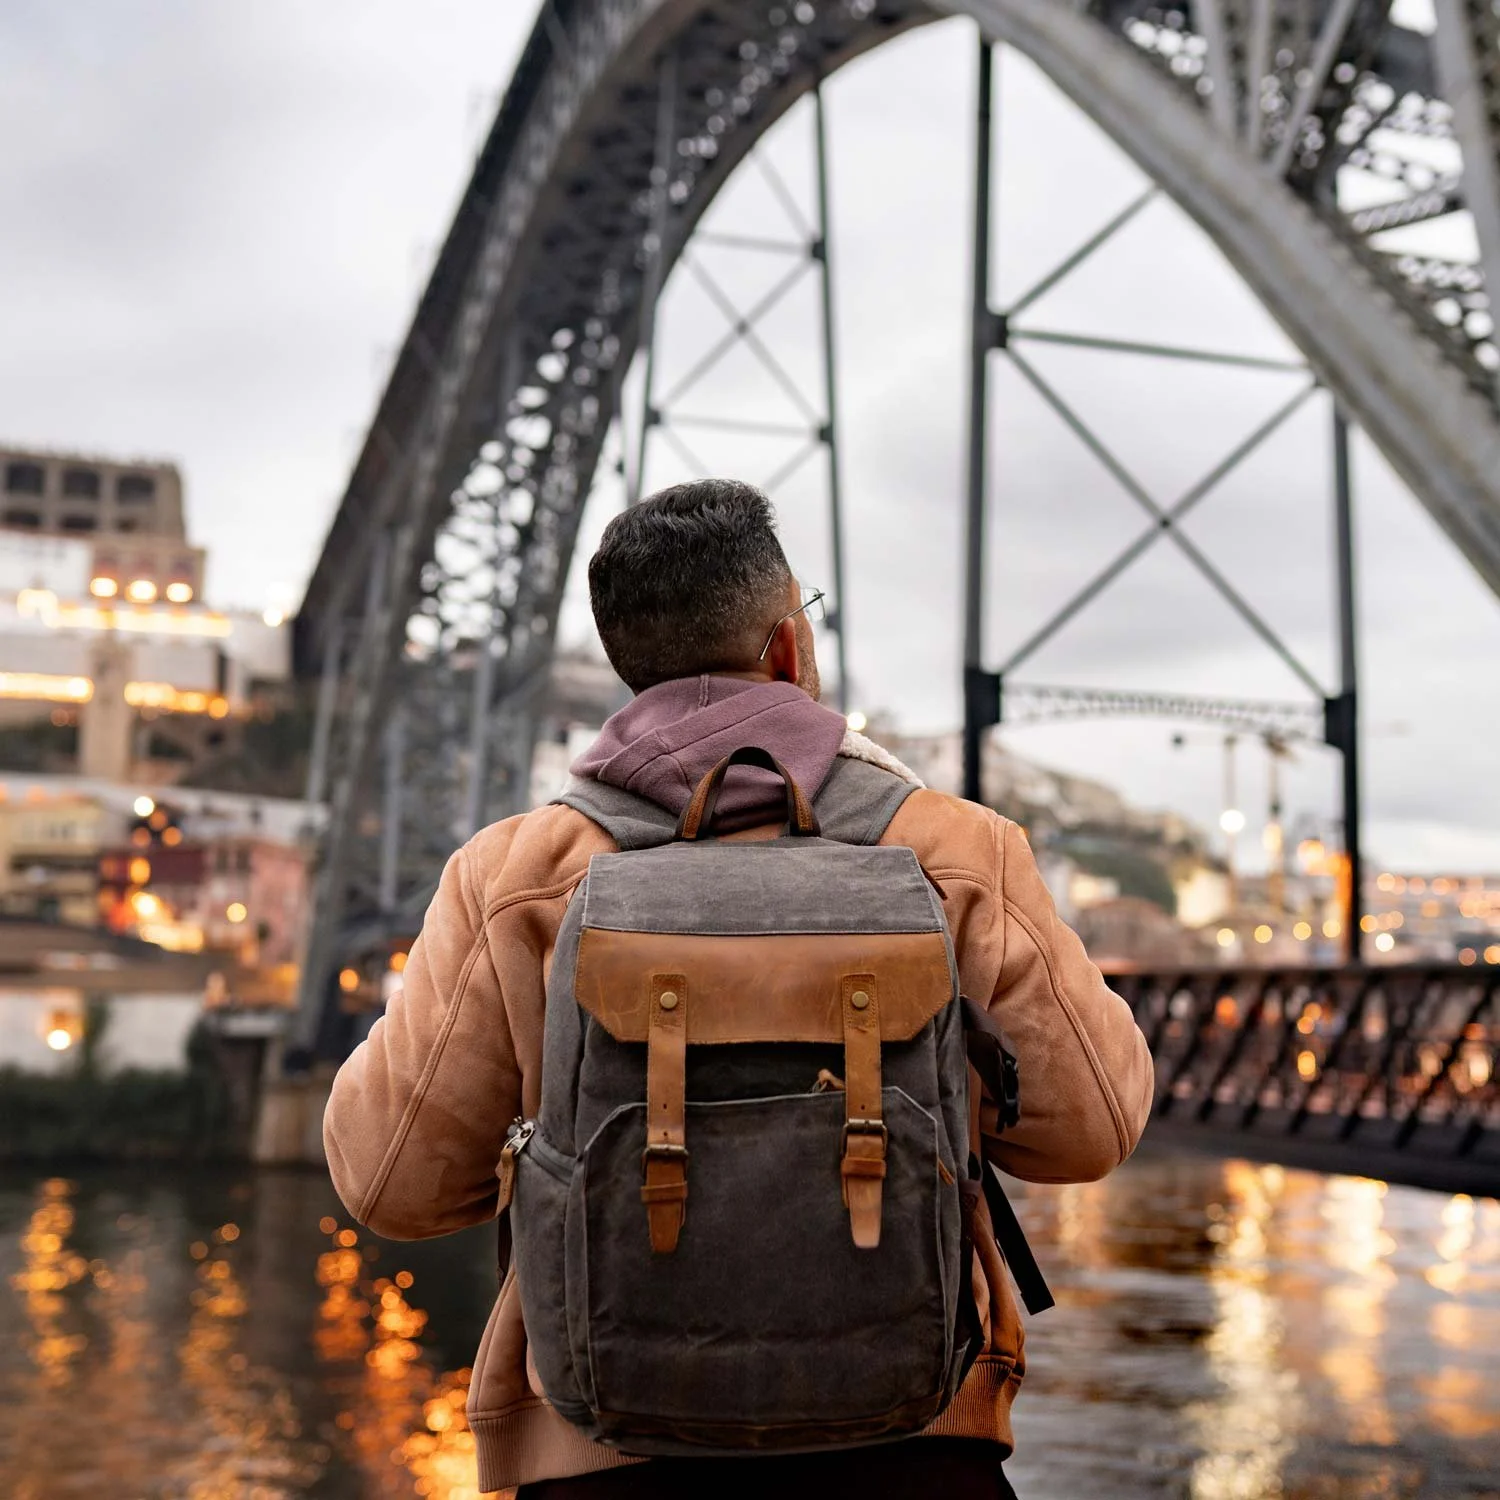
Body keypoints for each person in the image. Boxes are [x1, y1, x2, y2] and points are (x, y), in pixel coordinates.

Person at [324, 478, 1154, 1498]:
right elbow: (1091, 1128)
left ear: (631, 671)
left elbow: (392, 1184)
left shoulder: (514, 874)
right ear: (788, 651)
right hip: (918, 1448)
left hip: (602, 1457)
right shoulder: (954, 849)